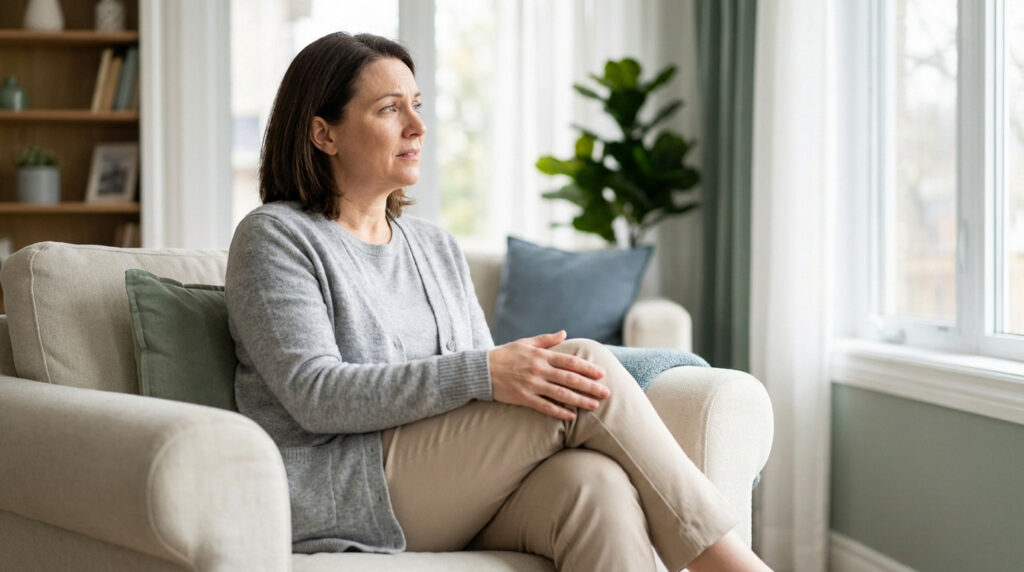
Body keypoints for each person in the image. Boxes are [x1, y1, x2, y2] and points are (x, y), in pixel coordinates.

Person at [225, 31, 772, 572]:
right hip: (348, 489)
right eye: (390, 109)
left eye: (417, 106)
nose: (417, 126)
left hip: (448, 483)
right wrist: (482, 373)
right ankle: (730, 565)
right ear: (324, 133)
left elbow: (482, 394)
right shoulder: (274, 237)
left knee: (595, 485)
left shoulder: (434, 246)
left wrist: (488, 375)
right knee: (583, 364)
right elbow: (316, 395)